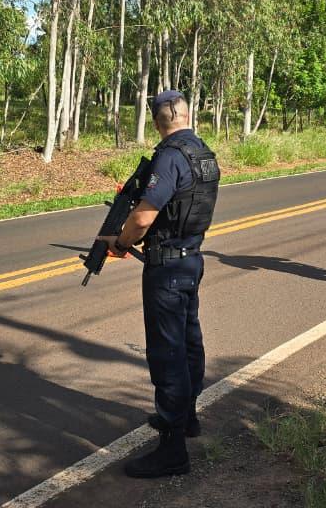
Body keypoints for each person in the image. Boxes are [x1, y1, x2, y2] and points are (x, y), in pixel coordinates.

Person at [99, 89, 220, 479]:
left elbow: (142, 218)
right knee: (188, 341)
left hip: (166, 267)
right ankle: (187, 417)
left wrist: (120, 243)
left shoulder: (169, 158)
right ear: (187, 115)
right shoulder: (203, 153)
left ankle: (172, 450)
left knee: (167, 354)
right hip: (191, 259)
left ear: (156, 122)